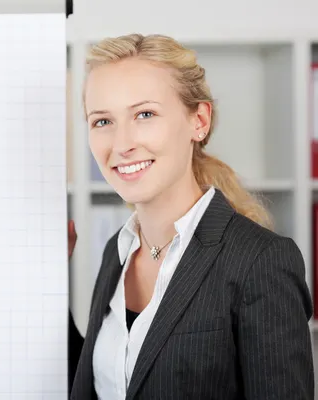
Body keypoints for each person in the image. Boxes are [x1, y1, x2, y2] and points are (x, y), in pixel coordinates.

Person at [67, 33, 314, 400]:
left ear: (198, 120)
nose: (121, 144)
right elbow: (113, 380)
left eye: (144, 114)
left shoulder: (260, 262)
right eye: (102, 121)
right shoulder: (115, 252)